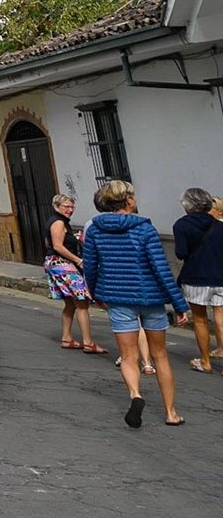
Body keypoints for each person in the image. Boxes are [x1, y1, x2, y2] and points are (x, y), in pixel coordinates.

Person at [82, 180, 190, 427]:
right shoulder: (144, 230)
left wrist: (95, 293)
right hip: (150, 298)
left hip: (117, 298)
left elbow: (90, 266)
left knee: (129, 357)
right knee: (160, 355)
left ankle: (135, 394)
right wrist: (179, 304)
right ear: (129, 200)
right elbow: (161, 269)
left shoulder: (95, 230)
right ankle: (171, 413)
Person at [44, 193, 104, 353]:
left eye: (72, 207)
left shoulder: (55, 221)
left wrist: (73, 238)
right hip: (62, 264)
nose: (70, 210)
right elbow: (57, 246)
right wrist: (78, 260)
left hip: (54, 264)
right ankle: (88, 342)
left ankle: (67, 337)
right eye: (67, 207)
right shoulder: (58, 222)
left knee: (70, 303)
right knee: (82, 302)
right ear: (56, 206)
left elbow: (48, 242)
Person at [173, 188, 223, 374]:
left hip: (195, 277)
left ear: (187, 206)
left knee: (200, 320)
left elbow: (181, 253)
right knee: (221, 318)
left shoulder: (181, 225)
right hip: (220, 276)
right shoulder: (219, 225)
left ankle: (205, 361)